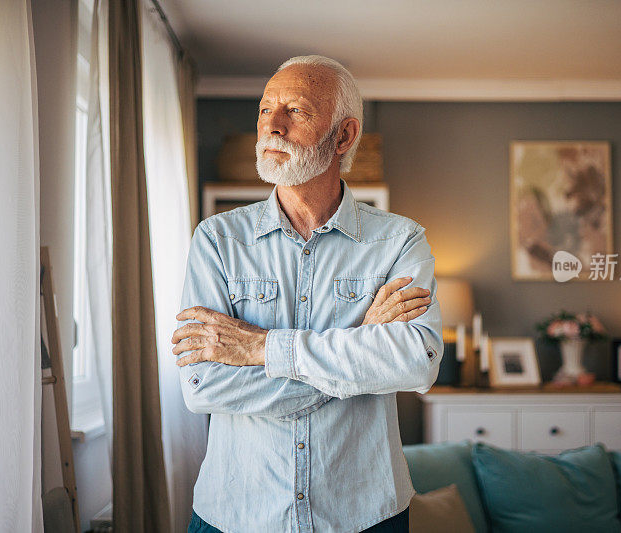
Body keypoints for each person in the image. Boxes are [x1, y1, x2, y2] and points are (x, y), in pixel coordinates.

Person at [171, 55, 443, 533]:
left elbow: (416, 362)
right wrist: (359, 349)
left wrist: (259, 348)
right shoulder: (216, 240)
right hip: (236, 514)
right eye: (264, 109)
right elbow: (203, 387)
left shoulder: (400, 241)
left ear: (343, 135)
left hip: (366, 515)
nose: (271, 126)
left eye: (294, 110)